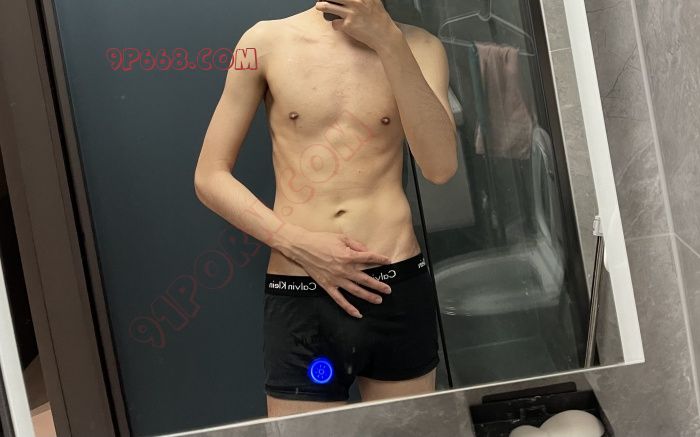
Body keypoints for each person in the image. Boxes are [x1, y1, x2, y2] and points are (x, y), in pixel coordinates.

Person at [194, 0, 457, 417]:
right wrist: (299, 243)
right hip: (302, 289)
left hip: (394, 284)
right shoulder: (263, 42)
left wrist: (389, 42)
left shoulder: (420, 47)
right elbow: (209, 176)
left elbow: (440, 167)